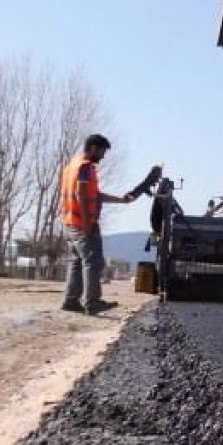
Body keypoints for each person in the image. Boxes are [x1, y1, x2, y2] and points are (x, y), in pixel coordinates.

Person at [59, 134, 157, 315]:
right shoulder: (85, 167)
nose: (103, 157)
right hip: (82, 223)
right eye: (103, 152)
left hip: (69, 222)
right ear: (94, 148)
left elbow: (94, 195)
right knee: (93, 262)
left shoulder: (72, 165)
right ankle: (92, 303)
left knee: (76, 262)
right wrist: (88, 224)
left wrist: (121, 200)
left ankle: (71, 301)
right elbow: (81, 194)